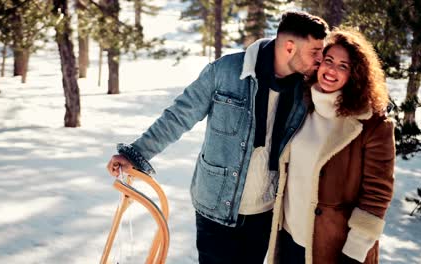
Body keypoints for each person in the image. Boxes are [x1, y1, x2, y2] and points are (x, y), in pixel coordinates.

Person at [107, 11, 329, 264]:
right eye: (315, 51)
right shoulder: (226, 72)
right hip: (216, 208)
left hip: (265, 213)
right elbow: (179, 116)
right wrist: (135, 153)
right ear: (290, 47)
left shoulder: (305, 90)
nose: (320, 60)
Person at [265, 29, 395, 264]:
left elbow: (377, 195)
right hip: (288, 240)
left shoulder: (373, 125)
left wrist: (353, 254)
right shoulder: (302, 105)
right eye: (329, 61)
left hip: (334, 249)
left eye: (343, 66)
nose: (332, 71)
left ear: (355, 75)